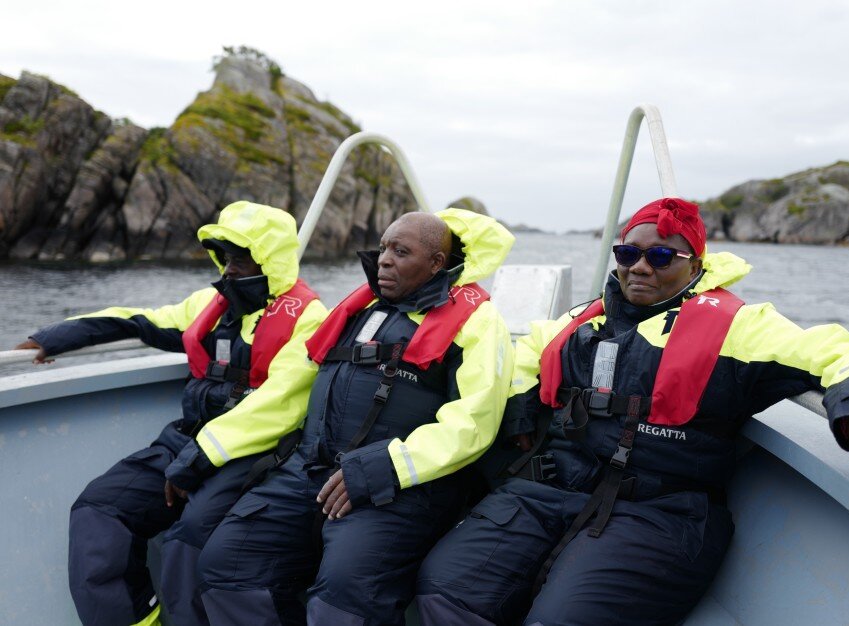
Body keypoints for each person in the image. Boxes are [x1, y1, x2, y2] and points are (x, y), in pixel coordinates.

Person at [415, 197, 849, 626]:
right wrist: (521, 419)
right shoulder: (580, 323)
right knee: (444, 586)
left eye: (662, 256)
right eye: (628, 253)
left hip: (660, 513)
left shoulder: (740, 327)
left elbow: (836, 351)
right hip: (554, 489)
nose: (640, 266)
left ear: (695, 264)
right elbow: (522, 361)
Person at [15, 201, 328, 626]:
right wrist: (53, 337)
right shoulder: (208, 304)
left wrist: (196, 460)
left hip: (257, 454)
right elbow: (139, 321)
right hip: (186, 441)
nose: (230, 269)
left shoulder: (309, 318)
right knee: (99, 511)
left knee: (188, 546)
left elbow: (280, 403)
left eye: (241, 258)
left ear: (270, 259)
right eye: (225, 257)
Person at [196, 208, 514, 626]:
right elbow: (289, 387)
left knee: (343, 599)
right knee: (226, 565)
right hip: (309, 469)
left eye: (401, 251)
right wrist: (203, 451)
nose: (383, 259)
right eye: (383, 247)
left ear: (437, 263)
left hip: (395, 484)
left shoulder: (477, 321)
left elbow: (474, 421)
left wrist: (386, 465)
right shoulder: (358, 309)